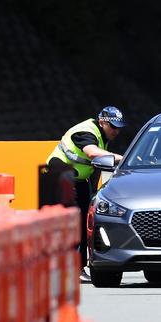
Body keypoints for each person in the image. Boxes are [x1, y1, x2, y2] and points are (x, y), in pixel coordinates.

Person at [46, 106, 126, 282]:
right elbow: (92, 152)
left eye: (119, 127)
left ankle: (76, 268)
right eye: (113, 126)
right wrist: (124, 158)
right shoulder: (85, 131)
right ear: (102, 122)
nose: (116, 131)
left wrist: (95, 191)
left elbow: (97, 165)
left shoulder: (102, 136)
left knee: (83, 222)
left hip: (78, 180)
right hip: (60, 176)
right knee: (73, 222)